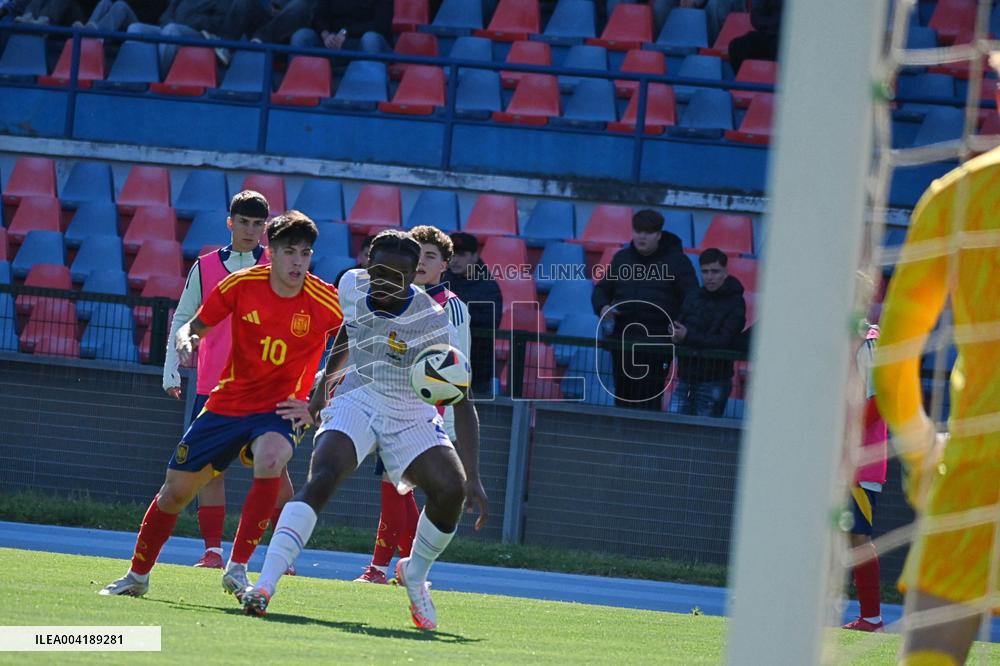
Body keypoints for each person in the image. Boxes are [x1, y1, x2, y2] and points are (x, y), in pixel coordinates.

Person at [241, 230, 488, 631]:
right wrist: (322, 390)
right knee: (323, 475)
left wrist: (474, 475)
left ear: (413, 278)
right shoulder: (350, 284)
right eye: (379, 272)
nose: (387, 283)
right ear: (366, 265)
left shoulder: (431, 320)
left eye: (399, 277)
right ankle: (265, 586)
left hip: (409, 408)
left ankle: (414, 572)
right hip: (358, 394)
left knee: (452, 490)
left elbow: (464, 399)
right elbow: (348, 330)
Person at [99, 211, 343, 600]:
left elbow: (358, 338)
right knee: (174, 493)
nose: (298, 261)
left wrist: (318, 398)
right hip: (228, 402)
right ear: (272, 253)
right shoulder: (240, 285)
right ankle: (137, 576)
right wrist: (184, 340)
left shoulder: (323, 299)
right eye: (289, 252)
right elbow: (193, 326)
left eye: (305, 253)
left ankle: (237, 567)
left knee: (271, 459)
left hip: (280, 407)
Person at [873, 139, 1000, 665]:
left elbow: (895, 355)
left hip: (978, 470)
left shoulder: (962, 192)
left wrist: (923, 455)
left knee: (931, 658)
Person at [163, 190, 295, 571]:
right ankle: (213, 552)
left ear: (266, 227)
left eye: (258, 224)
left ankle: (282, 552)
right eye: (244, 222)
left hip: (263, 387)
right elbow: (184, 317)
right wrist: (172, 367)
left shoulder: (276, 267)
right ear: (230, 223)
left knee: (275, 471)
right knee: (209, 472)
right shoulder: (204, 267)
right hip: (212, 386)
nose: (251, 230)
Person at [354, 225, 471, 585]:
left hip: (424, 409)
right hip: (387, 400)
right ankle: (409, 567)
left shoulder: (450, 307)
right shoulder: (395, 296)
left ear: (444, 265)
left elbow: (456, 363)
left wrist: (446, 413)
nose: (421, 262)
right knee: (396, 484)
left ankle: (381, 568)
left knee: (395, 482)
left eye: (430, 256)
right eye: (417, 254)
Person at [592, 209, 698, 410]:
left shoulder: (678, 262)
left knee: (649, 399)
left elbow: (693, 297)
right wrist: (603, 307)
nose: (641, 236)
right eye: (638, 230)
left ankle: (643, 439)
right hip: (623, 341)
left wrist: (679, 324)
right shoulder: (621, 259)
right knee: (623, 397)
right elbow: (601, 290)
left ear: (658, 234)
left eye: (648, 232)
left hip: (657, 343)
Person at [841, 320, 888, 633]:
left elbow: (880, 400)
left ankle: (872, 617)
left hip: (859, 459)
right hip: (834, 457)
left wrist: (846, 441)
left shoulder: (871, 344)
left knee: (858, 535)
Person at [669, 248, 746, 417]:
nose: (710, 276)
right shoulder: (693, 295)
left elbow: (725, 340)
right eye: (705, 271)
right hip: (686, 377)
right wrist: (674, 333)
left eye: (715, 271)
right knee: (672, 432)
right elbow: (680, 323)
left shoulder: (736, 302)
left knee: (702, 437)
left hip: (714, 380)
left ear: (725, 272)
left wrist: (687, 336)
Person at [444, 232, 502, 397]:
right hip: (443, 365)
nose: (455, 260)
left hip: (477, 369)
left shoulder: (487, 286)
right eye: (452, 254)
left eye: (461, 255)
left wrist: (458, 315)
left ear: (475, 256)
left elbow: (491, 323)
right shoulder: (441, 279)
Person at [290, 0, 393, 55]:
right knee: (302, 36)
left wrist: (344, 32)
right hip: (333, 40)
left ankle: (367, 89)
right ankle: (296, 89)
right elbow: (319, 15)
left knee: (370, 39)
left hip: (361, 41)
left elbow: (381, 26)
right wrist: (325, 34)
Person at [727, 0, 782, 72]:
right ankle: (743, 79)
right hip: (768, 33)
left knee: (777, 48)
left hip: (791, 38)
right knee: (736, 46)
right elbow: (756, 16)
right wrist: (769, 26)